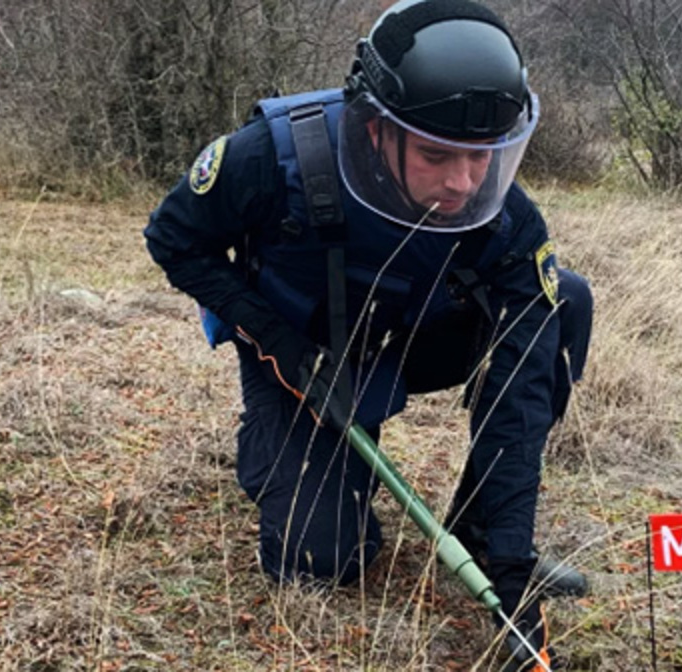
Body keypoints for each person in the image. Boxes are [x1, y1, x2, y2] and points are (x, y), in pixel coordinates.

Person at [144, 1, 592, 668]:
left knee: (565, 302)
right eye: (439, 156)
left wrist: (510, 562)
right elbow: (174, 240)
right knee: (319, 560)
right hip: (299, 350)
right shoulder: (270, 157)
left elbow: (519, 393)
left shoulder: (505, 216)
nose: (463, 184)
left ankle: (475, 523)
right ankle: (272, 443)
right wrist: (278, 343)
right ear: (378, 126)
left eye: (482, 158)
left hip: (407, 343)